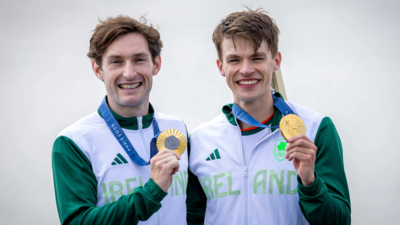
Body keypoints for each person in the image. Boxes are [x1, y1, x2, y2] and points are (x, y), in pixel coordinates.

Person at [187, 8, 351, 225]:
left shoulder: (316, 128)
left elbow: (340, 221)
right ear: (221, 67)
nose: (246, 70)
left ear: (276, 61)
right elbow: (192, 218)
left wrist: (310, 182)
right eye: (234, 60)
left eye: (257, 58)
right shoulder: (199, 140)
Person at [52, 15, 189, 225]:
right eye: (116, 62)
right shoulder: (74, 141)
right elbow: (77, 221)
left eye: (139, 59)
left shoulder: (176, 128)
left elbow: (196, 208)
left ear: (156, 64)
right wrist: (151, 193)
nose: (129, 73)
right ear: (98, 70)